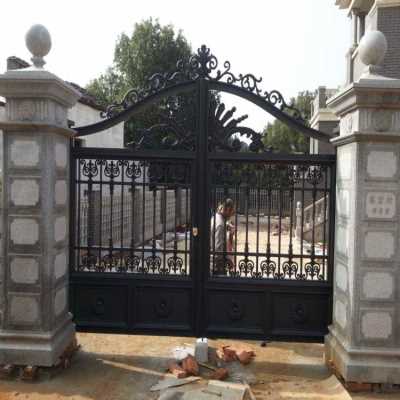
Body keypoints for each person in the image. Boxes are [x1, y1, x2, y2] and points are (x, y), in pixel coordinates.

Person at [210, 198, 236, 275]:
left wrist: (227, 225)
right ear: (227, 209)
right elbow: (218, 250)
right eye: (232, 212)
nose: (232, 215)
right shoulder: (220, 225)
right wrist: (228, 259)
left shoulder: (215, 217)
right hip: (217, 266)